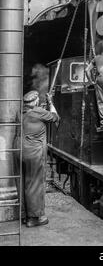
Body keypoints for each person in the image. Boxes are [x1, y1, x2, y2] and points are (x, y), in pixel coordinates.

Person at [15, 91, 59, 228]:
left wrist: (42, 108)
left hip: (17, 149)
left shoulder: (19, 112)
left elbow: (34, 118)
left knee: (21, 182)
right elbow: (56, 117)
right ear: (35, 102)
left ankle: (23, 215)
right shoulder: (39, 111)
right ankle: (34, 218)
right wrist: (50, 102)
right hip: (33, 151)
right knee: (34, 183)